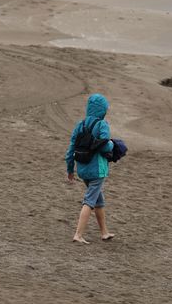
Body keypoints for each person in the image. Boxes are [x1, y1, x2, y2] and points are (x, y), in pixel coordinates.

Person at [65, 93, 116, 244]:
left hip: (83, 169)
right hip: (97, 170)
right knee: (89, 201)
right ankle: (78, 234)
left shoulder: (80, 125)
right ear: (102, 110)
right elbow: (106, 145)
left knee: (98, 200)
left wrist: (69, 169)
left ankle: (104, 232)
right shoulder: (102, 125)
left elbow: (70, 150)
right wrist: (113, 145)